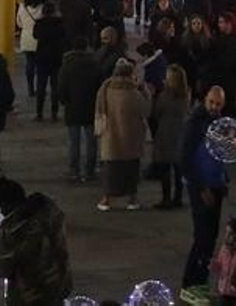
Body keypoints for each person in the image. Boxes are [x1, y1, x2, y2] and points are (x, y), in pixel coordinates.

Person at [0, 176, 72, 305]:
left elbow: (3, 267)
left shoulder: (11, 231)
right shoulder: (50, 216)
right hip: (56, 287)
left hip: (28, 296)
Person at [181, 85, 229, 289]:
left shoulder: (219, 123)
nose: (214, 107)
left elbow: (221, 155)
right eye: (211, 102)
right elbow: (184, 160)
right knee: (202, 236)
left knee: (210, 237)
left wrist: (223, 180)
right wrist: (201, 188)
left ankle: (200, 280)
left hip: (215, 185)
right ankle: (190, 282)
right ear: (205, 100)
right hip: (201, 187)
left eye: (218, 104)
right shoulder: (195, 124)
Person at [94, 58, 149, 211]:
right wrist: (145, 90)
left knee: (110, 170)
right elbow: (146, 110)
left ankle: (106, 200)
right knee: (131, 170)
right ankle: (132, 199)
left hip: (111, 137)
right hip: (131, 139)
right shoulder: (133, 93)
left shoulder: (105, 90)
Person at [57, 35, 103, 183]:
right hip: (91, 106)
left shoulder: (67, 65)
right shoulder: (95, 64)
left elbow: (62, 87)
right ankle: (90, 171)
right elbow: (100, 85)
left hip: (73, 106)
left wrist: (64, 101)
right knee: (91, 141)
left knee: (73, 141)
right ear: (86, 47)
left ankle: (73, 170)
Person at [151, 63, 191, 209]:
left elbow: (156, 113)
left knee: (165, 169)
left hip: (166, 132)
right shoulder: (186, 94)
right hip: (181, 132)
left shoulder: (164, 96)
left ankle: (166, 198)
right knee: (179, 168)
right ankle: (178, 197)